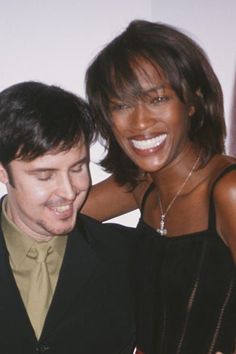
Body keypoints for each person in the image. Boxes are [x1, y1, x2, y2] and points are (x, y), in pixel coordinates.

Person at [83, 20, 236, 354]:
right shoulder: (143, 186)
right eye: (121, 105)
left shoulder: (229, 191)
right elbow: (56, 216)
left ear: (193, 102)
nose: (139, 123)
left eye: (158, 99)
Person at [0, 81, 136, 354]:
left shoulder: (128, 254)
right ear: (3, 172)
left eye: (78, 168)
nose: (69, 191)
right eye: (45, 175)